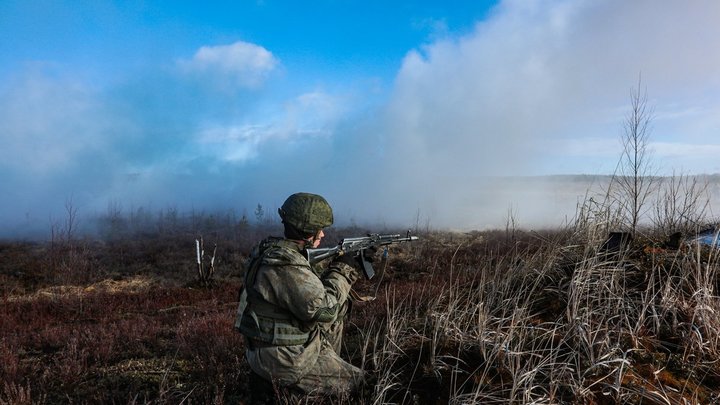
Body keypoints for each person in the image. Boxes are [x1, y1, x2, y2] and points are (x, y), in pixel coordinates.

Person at [234, 192, 369, 398]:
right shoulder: (284, 264)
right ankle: (296, 385)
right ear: (307, 231)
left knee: (342, 303)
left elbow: (304, 281)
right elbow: (325, 311)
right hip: (284, 358)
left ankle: (325, 363)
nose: (322, 234)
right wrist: (344, 270)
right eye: (319, 229)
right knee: (365, 384)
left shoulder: (271, 251)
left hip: (266, 348)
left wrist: (345, 260)